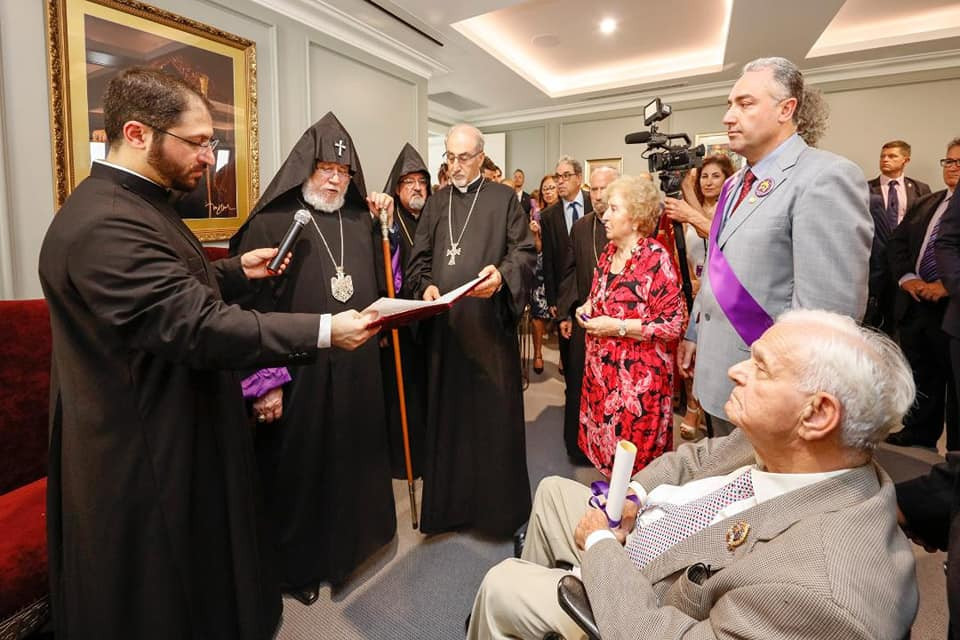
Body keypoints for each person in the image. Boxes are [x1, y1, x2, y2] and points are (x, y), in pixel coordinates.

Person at [37, 68, 379, 640]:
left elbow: (169, 291)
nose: (209, 157)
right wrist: (324, 330)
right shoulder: (106, 222)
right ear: (138, 133)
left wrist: (234, 271)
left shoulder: (139, 203)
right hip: (140, 446)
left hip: (174, 420)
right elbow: (194, 324)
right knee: (164, 594)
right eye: (197, 142)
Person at [468, 309, 918, 640]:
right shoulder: (795, 447)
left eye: (761, 368)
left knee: (502, 585)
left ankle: (524, 611)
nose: (735, 371)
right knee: (551, 492)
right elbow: (693, 459)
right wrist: (634, 496)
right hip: (648, 535)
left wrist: (601, 547)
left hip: (647, 602)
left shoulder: (821, 591)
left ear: (817, 414)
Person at [229, 112, 396, 602]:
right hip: (298, 373)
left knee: (354, 460)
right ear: (305, 169)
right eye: (324, 168)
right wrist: (264, 382)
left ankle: (354, 549)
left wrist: (388, 224)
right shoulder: (271, 222)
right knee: (299, 473)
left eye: (343, 171)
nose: (333, 179)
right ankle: (298, 569)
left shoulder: (361, 221)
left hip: (357, 372)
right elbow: (246, 310)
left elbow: (391, 280)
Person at [678, 56, 872, 436]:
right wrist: (695, 333)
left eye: (745, 104)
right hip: (718, 371)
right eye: (730, 105)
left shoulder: (825, 177)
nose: (728, 117)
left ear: (786, 109)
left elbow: (827, 320)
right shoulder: (735, 185)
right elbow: (718, 265)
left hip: (772, 388)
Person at [405, 123, 537, 537]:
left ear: (481, 157)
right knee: (450, 422)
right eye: (449, 157)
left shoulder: (503, 199)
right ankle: (449, 511)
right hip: (446, 332)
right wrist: (424, 285)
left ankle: (496, 517)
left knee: (491, 421)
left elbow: (525, 254)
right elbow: (418, 259)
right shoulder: (436, 202)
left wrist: (501, 277)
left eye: (464, 157)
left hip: (488, 330)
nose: (455, 165)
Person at [574, 176, 687, 475]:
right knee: (607, 454)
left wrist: (617, 326)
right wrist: (587, 307)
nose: (605, 216)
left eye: (614, 209)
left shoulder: (655, 258)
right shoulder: (609, 252)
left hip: (637, 383)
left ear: (636, 218)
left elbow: (673, 324)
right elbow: (599, 295)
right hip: (601, 376)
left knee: (634, 464)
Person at [885, 138, 960, 450]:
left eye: (959, 162)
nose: (953, 167)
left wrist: (948, 284)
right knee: (921, 371)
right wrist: (908, 278)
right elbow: (897, 243)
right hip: (916, 303)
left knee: (955, 382)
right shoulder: (927, 202)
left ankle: (955, 451)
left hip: (952, 306)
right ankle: (919, 432)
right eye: (949, 161)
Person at [664, 155, 736, 440]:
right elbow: (683, 250)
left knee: (713, 352)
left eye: (716, 176)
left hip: (722, 292)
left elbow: (719, 238)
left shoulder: (730, 209)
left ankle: (701, 407)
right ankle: (695, 404)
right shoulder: (689, 212)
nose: (708, 181)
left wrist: (689, 203)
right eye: (704, 176)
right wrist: (690, 281)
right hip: (693, 288)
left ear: (727, 179)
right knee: (690, 352)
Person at [557, 165, 620, 465]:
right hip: (585, 319)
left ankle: (613, 452)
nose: (597, 195)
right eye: (593, 189)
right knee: (579, 384)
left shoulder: (631, 225)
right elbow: (569, 272)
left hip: (620, 325)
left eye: (604, 188)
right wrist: (566, 313)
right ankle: (580, 448)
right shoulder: (582, 227)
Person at [379, 142, 431, 478]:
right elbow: (378, 273)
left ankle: (429, 455)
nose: (416, 188)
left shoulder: (434, 217)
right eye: (409, 182)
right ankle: (405, 462)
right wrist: (383, 326)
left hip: (430, 320)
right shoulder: (386, 224)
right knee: (403, 395)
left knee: (428, 390)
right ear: (397, 188)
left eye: (421, 182)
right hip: (399, 325)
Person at [866, 140, 932, 333]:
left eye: (892, 156)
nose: (885, 160)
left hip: (906, 262)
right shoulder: (866, 188)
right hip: (875, 261)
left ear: (906, 160)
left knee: (903, 316)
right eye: (882, 156)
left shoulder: (921, 189)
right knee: (874, 318)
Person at [541, 156, 594, 379]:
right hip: (565, 294)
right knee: (570, 358)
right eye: (557, 177)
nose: (560, 181)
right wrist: (552, 299)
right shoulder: (548, 216)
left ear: (579, 178)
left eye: (566, 176)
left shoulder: (594, 203)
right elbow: (549, 260)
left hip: (594, 288)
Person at [528, 205, 552, 374]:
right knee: (538, 314)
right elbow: (537, 250)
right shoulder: (536, 215)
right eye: (545, 191)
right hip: (540, 271)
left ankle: (564, 358)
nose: (548, 192)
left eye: (551, 190)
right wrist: (535, 234)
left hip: (560, 267)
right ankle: (537, 354)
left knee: (564, 315)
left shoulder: (560, 214)